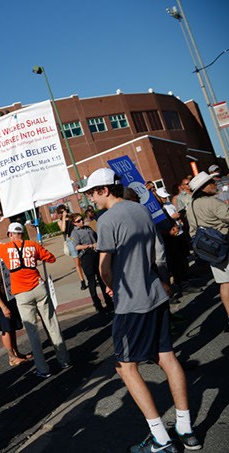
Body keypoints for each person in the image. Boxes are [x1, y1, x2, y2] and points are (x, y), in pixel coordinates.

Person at [80, 168, 201, 452]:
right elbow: (156, 252)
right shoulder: (140, 210)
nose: (90, 199)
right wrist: (162, 278)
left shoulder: (107, 220)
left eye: (92, 193)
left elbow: (104, 267)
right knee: (167, 357)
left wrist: (111, 286)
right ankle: (186, 429)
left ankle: (160, 438)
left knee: (125, 367)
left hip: (131, 301)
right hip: (154, 293)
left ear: (104, 190)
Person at [0, 220, 71, 378]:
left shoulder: (5, 248)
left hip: (22, 294)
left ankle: (43, 369)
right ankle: (64, 360)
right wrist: (37, 252)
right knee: (52, 325)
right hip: (39, 288)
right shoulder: (32, 245)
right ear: (22, 233)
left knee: (33, 333)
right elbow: (51, 258)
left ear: (10, 234)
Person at [187, 171, 229, 332]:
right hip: (225, 243)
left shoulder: (190, 206)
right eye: (211, 182)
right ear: (204, 187)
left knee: (224, 283)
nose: (215, 184)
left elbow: (192, 231)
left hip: (211, 250)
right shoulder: (213, 202)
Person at [0, 248, 29, 367]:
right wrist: (3, 307)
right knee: (6, 329)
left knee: (12, 328)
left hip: (8, 298)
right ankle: (11, 357)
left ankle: (16, 352)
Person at [70, 213, 114, 313]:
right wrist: (89, 245)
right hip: (86, 257)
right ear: (74, 223)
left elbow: (96, 237)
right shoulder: (75, 233)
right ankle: (97, 304)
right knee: (92, 281)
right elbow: (76, 247)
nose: (81, 221)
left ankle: (109, 302)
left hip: (96, 254)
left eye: (81, 219)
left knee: (102, 278)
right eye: (78, 221)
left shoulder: (88, 228)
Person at [56, 204, 87, 291]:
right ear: (59, 214)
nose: (64, 212)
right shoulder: (60, 221)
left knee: (85, 259)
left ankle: (91, 278)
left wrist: (69, 216)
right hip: (70, 240)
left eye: (65, 210)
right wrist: (64, 218)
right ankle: (82, 281)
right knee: (77, 262)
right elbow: (63, 230)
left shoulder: (71, 217)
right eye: (62, 212)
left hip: (79, 237)